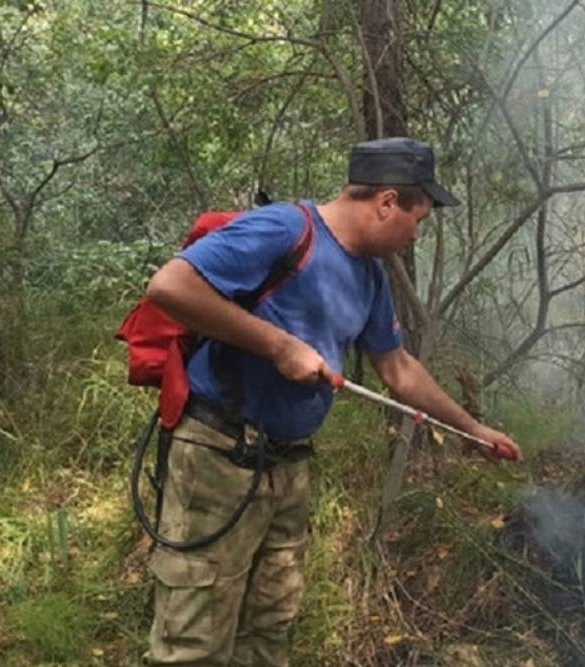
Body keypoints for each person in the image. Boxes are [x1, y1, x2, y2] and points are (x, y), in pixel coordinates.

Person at [142, 137, 522, 666]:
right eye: (418, 219)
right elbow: (169, 286)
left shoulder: (368, 275)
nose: (416, 233)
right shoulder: (283, 230)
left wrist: (472, 429)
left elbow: (398, 367)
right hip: (219, 455)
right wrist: (279, 345)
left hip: (288, 464)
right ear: (387, 201)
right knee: (195, 640)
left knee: (270, 625)